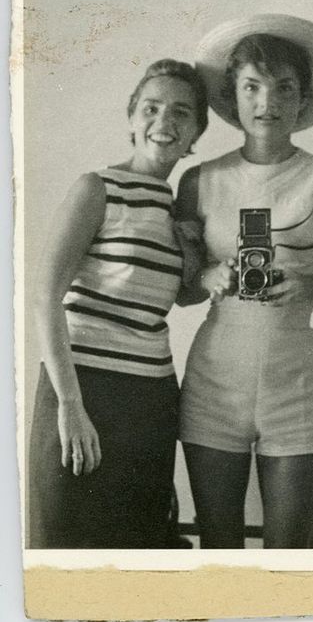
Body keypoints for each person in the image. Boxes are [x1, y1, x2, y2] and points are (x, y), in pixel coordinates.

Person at [176, 14, 313, 549]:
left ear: (304, 98)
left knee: (290, 553)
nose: (267, 102)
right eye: (252, 87)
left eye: (284, 87)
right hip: (214, 381)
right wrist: (207, 273)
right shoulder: (199, 180)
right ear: (233, 96)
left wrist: (312, 286)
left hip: (296, 382)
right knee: (219, 547)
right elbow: (183, 292)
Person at [29, 59, 209, 548]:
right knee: (65, 548)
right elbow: (43, 295)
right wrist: (70, 405)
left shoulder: (180, 207)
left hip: (150, 398)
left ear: (197, 131)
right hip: (82, 388)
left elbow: (179, 297)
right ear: (132, 117)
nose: (164, 123)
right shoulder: (97, 188)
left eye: (181, 113)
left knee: (136, 551)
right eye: (151, 108)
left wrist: (197, 256)